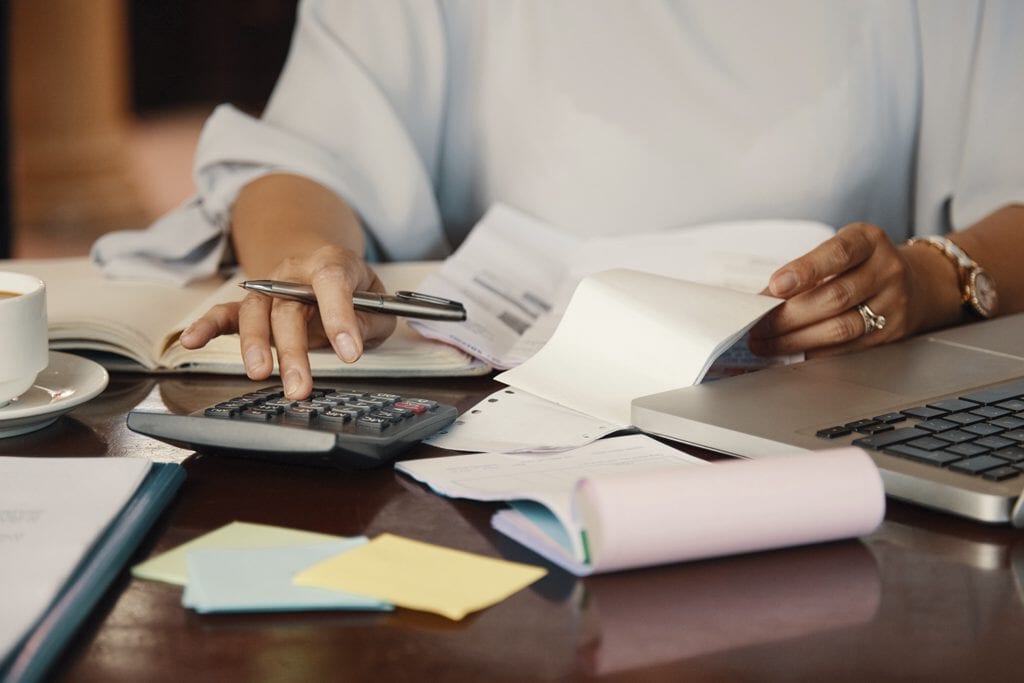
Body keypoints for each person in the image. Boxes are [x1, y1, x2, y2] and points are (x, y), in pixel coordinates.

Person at [92, 0, 1024, 400]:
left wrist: (937, 277)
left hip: (830, 412)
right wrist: (310, 258)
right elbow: (303, 158)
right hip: (511, 413)